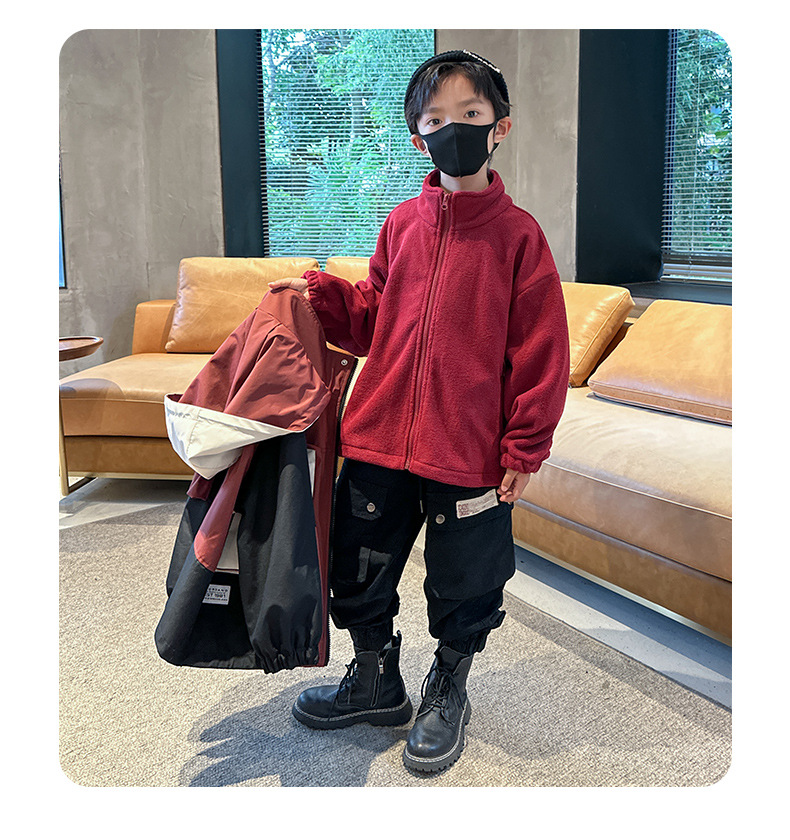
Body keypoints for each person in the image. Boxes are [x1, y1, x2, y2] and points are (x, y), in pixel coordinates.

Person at [268, 49, 570, 774]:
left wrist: (524, 447)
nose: (453, 129)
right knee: (355, 563)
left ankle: (448, 685)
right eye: (436, 120)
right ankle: (375, 678)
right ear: (417, 138)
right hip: (378, 437)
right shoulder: (401, 224)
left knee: (470, 578)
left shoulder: (520, 237)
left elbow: (541, 352)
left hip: (468, 450)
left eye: (470, 114)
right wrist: (329, 300)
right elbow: (376, 319)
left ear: (499, 127)